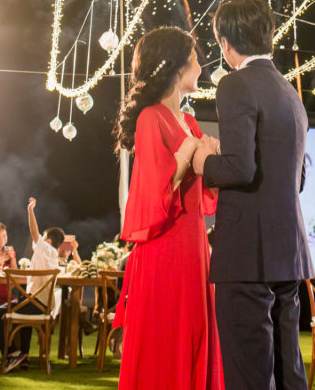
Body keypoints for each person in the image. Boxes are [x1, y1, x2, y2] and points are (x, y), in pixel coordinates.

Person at [192, 0, 311, 390]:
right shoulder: (289, 91)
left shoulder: (235, 83)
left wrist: (204, 161)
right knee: (287, 372)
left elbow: (240, 167)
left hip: (247, 255)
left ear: (226, 43)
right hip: (288, 254)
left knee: (249, 375)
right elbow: (298, 179)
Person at [112, 26, 223, 390]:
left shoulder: (188, 121)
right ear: (176, 67)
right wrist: (193, 150)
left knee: (195, 327)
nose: (200, 64)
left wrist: (212, 159)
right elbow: (158, 188)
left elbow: (201, 188)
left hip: (193, 245)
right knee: (167, 334)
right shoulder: (150, 118)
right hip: (164, 246)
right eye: (193, 58)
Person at [1, 197, 64, 373]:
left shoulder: (46, 249)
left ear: (48, 241)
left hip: (34, 302)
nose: (38, 242)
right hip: (41, 305)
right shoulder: (53, 257)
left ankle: (15, 354)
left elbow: (34, 232)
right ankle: (23, 357)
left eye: (43, 238)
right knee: (21, 313)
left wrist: (30, 211)